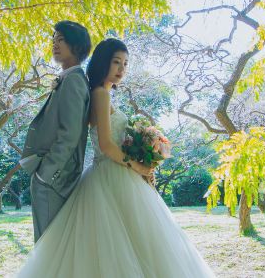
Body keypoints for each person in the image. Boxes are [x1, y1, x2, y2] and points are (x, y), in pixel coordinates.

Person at [17, 38, 215, 277]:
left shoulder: (102, 93)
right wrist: (138, 167)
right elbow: (106, 145)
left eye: (125, 64)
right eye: (116, 62)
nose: (122, 69)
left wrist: (143, 148)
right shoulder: (100, 94)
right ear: (103, 62)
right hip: (110, 174)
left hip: (112, 174)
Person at [20, 20, 92, 241]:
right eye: (54, 39)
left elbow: (69, 135)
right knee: (48, 246)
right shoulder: (68, 78)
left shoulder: (74, 81)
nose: (54, 43)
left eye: (61, 39)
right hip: (50, 178)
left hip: (53, 180)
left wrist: (45, 174)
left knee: (47, 245)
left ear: (77, 46)